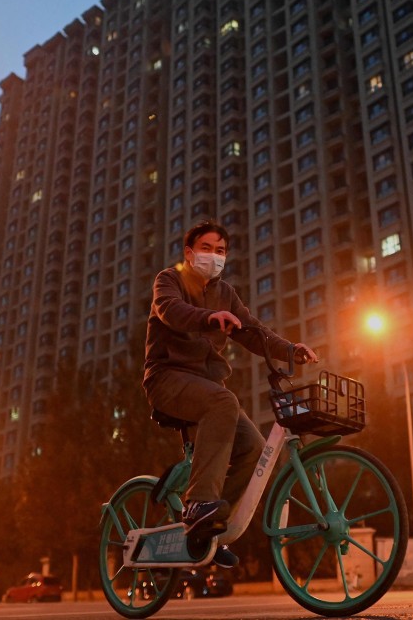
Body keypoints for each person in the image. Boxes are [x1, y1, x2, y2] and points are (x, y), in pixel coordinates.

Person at [143, 221, 318, 568]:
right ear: (190, 254)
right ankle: (198, 505)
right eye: (206, 249)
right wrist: (209, 317)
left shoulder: (226, 293)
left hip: (207, 387)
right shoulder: (170, 280)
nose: (214, 256)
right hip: (167, 379)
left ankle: (210, 531)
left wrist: (290, 349)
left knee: (254, 448)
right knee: (224, 401)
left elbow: (253, 332)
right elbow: (170, 311)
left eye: (220, 250)